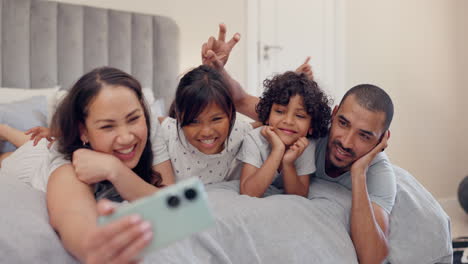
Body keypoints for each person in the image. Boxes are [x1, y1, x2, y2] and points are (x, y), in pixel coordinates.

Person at [202, 24, 395, 264]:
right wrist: (216, 70)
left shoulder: (379, 175)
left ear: (382, 139)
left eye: (364, 136)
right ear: (333, 115)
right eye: (343, 123)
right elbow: (242, 100)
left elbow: (372, 258)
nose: (346, 142)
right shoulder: (308, 127)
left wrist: (358, 173)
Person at [44, 67, 173, 263]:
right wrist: (93, 248)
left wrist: (115, 170)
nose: (126, 137)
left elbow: (172, 201)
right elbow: (70, 214)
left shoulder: (148, 127)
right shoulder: (68, 164)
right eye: (107, 126)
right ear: (83, 131)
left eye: (133, 118)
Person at [152, 65, 258, 185]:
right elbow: (148, 123)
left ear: (231, 113)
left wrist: (242, 99)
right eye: (194, 121)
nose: (206, 132)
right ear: (179, 115)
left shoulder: (238, 131)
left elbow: (272, 120)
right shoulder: (167, 132)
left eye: (216, 119)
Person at [238, 71, 331, 198]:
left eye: (299, 115)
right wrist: (278, 150)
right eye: (280, 111)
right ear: (267, 116)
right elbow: (249, 193)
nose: (288, 121)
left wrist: (288, 163)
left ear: (311, 126)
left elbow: (299, 195)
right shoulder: (255, 139)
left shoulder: (305, 145)